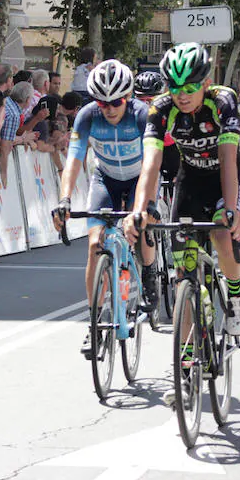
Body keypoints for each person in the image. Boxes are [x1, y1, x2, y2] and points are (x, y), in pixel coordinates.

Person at [122, 42, 240, 341]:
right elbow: (150, 165)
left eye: (190, 86)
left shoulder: (223, 101)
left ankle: (235, 297)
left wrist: (232, 210)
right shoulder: (161, 108)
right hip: (190, 176)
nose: (182, 94)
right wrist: (140, 209)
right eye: (175, 86)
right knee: (185, 273)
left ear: (206, 82)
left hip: (225, 174)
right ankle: (187, 362)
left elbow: (229, 159)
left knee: (221, 232)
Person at [51, 59, 154, 356]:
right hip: (105, 179)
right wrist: (64, 199)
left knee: (141, 224)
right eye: (102, 102)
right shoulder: (87, 116)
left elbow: (151, 163)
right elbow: (73, 160)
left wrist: (141, 207)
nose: (109, 108)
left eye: (116, 101)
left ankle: (148, 275)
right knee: (95, 244)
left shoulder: (141, 115)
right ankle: (95, 323)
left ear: (128, 97)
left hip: (139, 178)